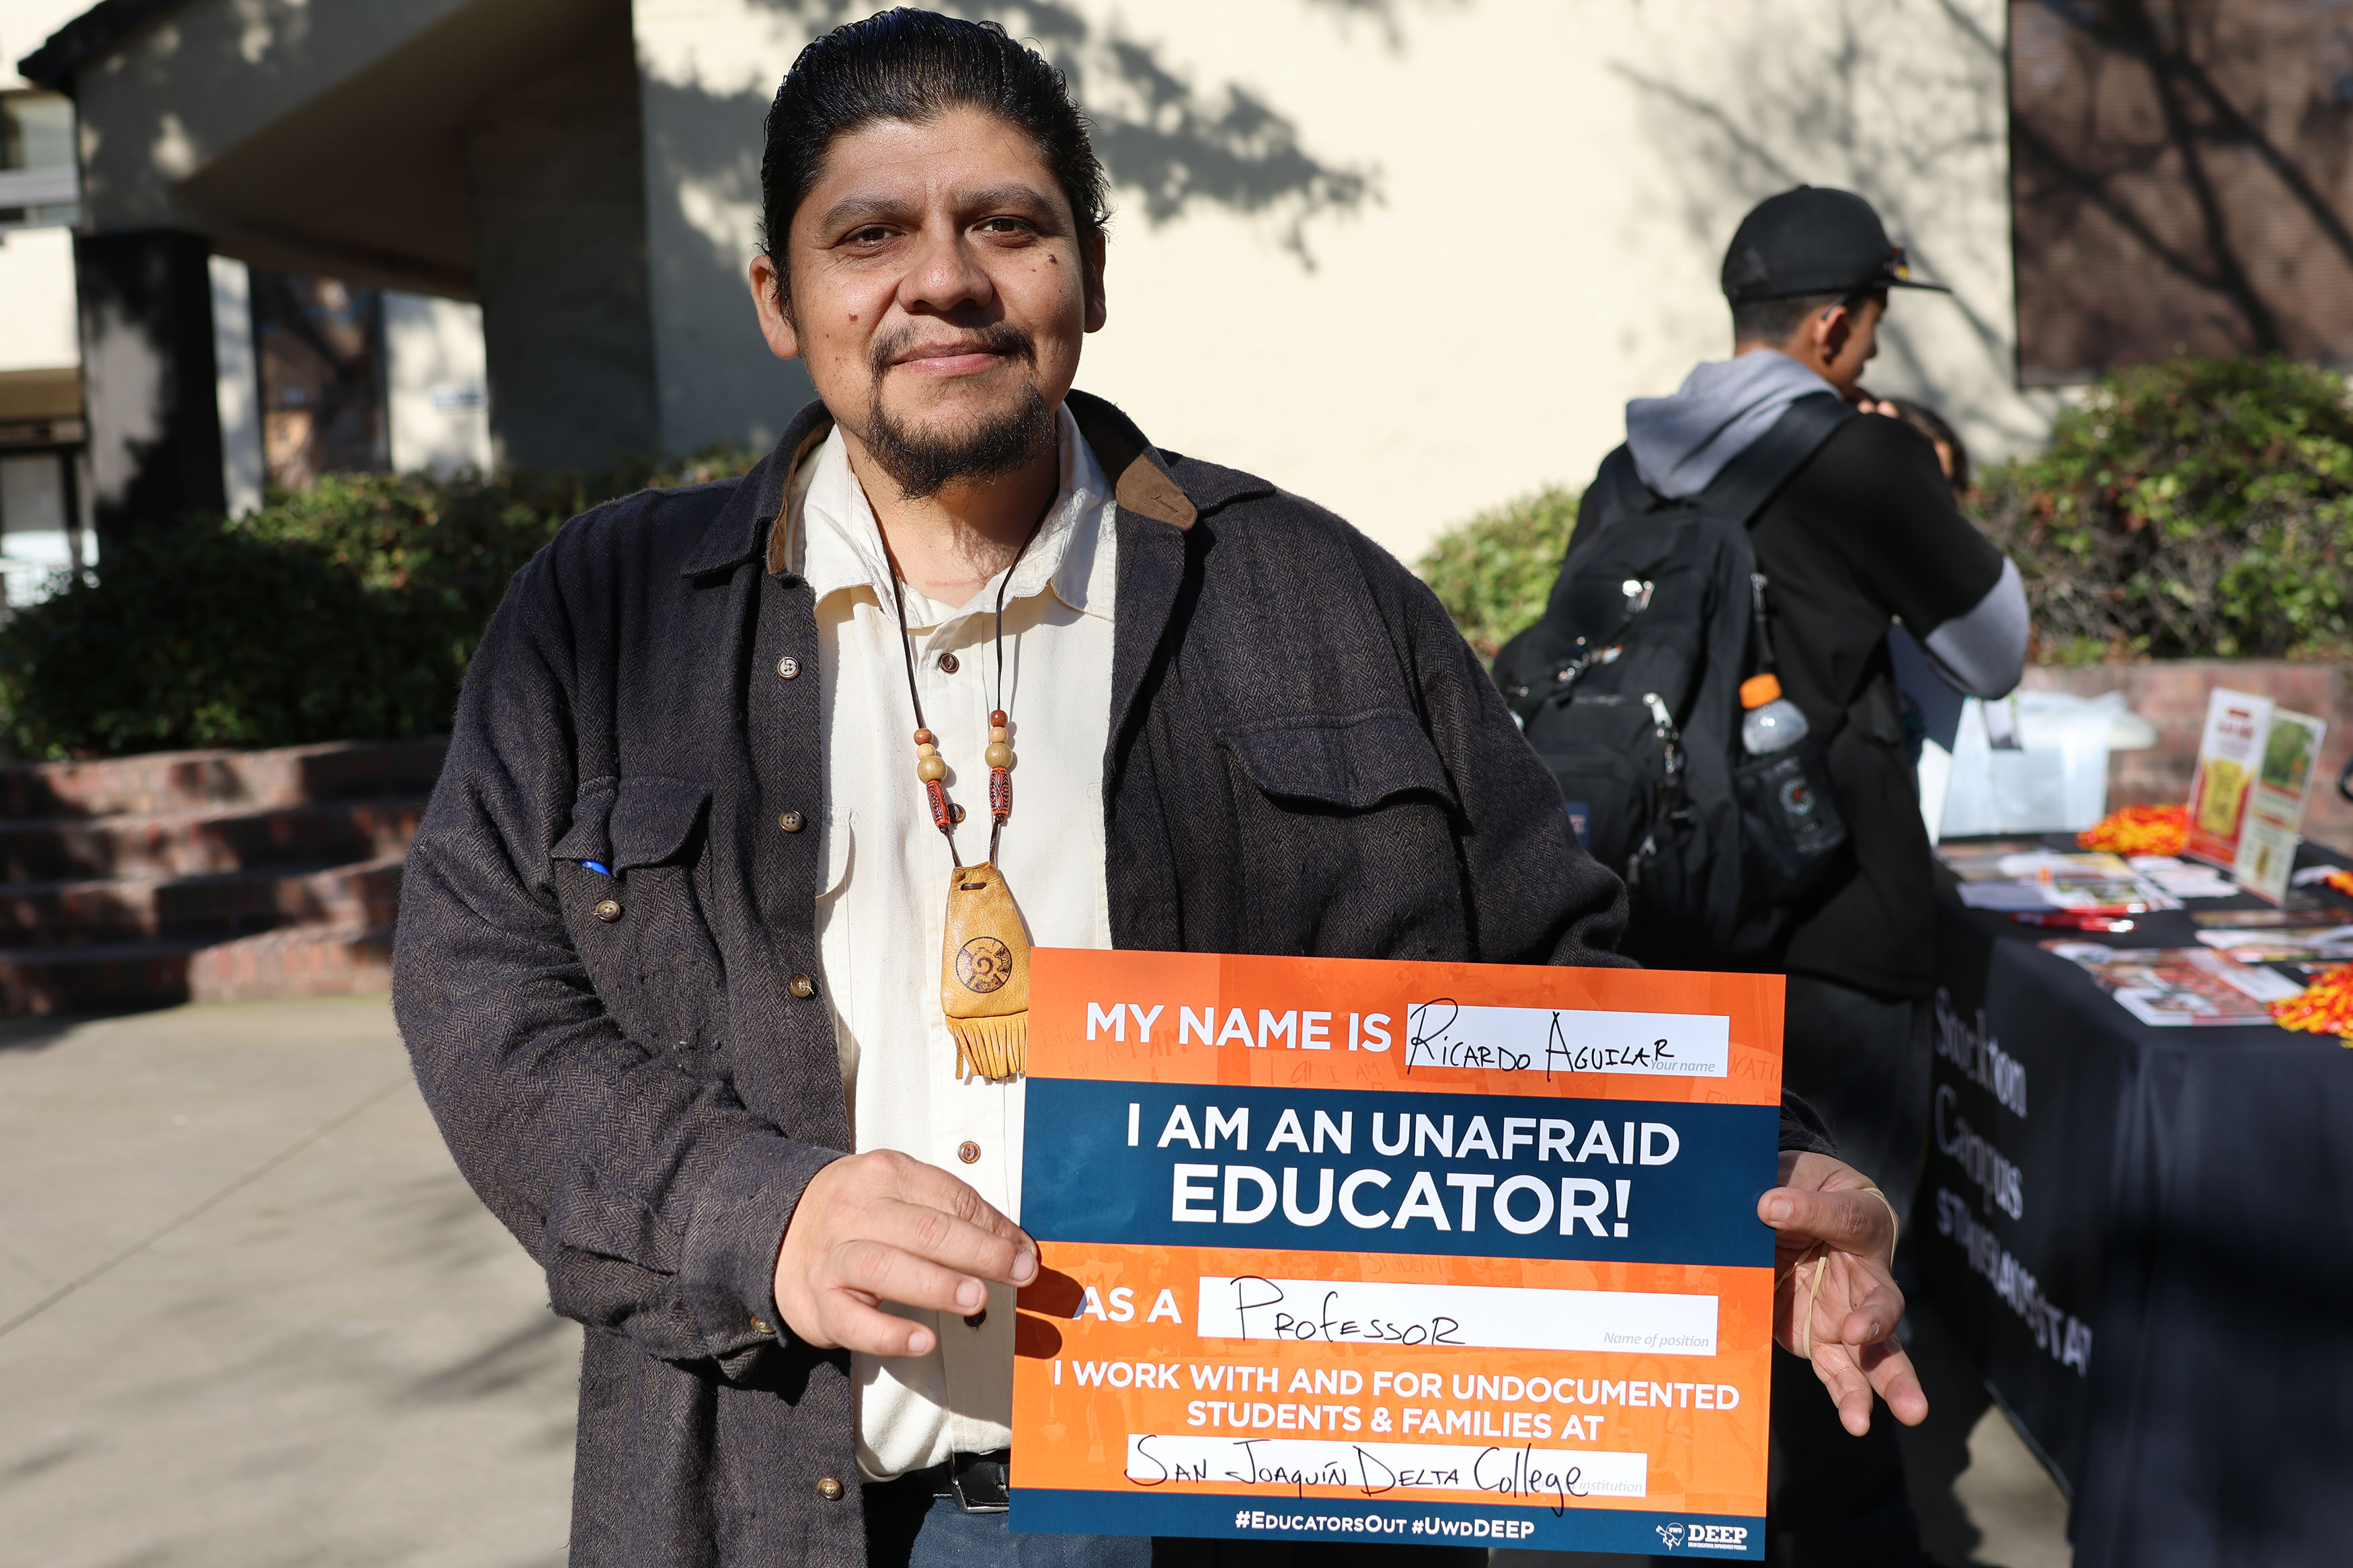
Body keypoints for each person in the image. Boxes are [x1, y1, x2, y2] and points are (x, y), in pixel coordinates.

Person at [393, 25, 1926, 1568]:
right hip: (768, 1497)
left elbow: (1546, 967)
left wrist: (1758, 1182)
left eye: (1007, 224)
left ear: (1092, 275)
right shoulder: (607, 612)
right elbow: (479, 991)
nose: (945, 280)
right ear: (780, 303)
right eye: (868, 236)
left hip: (1248, 1505)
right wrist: (756, 1215)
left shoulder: (1314, 598)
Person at [1591, 186, 2028, 1563]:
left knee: (1692, 1297)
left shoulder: (1627, 462)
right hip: (1838, 938)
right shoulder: (1856, 456)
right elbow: (1996, 648)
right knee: (1838, 1289)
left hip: (1662, 924)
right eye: (1875, 329)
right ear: (1836, 324)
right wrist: (1908, 477)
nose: (1873, 357)